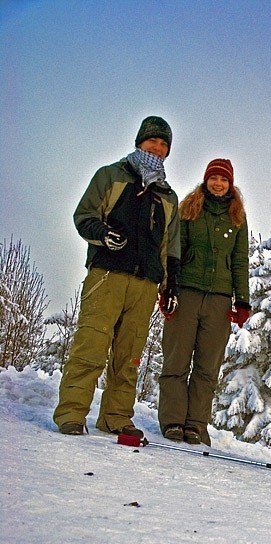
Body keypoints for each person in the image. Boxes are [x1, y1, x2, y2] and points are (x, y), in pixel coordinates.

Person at [53, 116, 181, 438]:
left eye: (164, 144)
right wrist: (103, 234)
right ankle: (71, 413)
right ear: (140, 141)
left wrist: (170, 286)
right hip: (107, 276)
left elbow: (170, 245)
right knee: (91, 345)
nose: (158, 147)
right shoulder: (111, 175)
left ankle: (115, 417)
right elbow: (84, 215)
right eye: (153, 141)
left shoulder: (168, 197)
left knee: (130, 356)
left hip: (144, 284)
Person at [158, 158, 250, 446]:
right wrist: (168, 289)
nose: (218, 183)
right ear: (206, 180)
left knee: (207, 367)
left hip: (219, 301)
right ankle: (173, 421)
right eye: (214, 178)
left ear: (230, 183)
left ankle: (196, 425)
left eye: (223, 179)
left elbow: (240, 259)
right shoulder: (189, 208)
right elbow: (175, 251)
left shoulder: (237, 217)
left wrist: (243, 301)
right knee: (176, 360)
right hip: (186, 293)